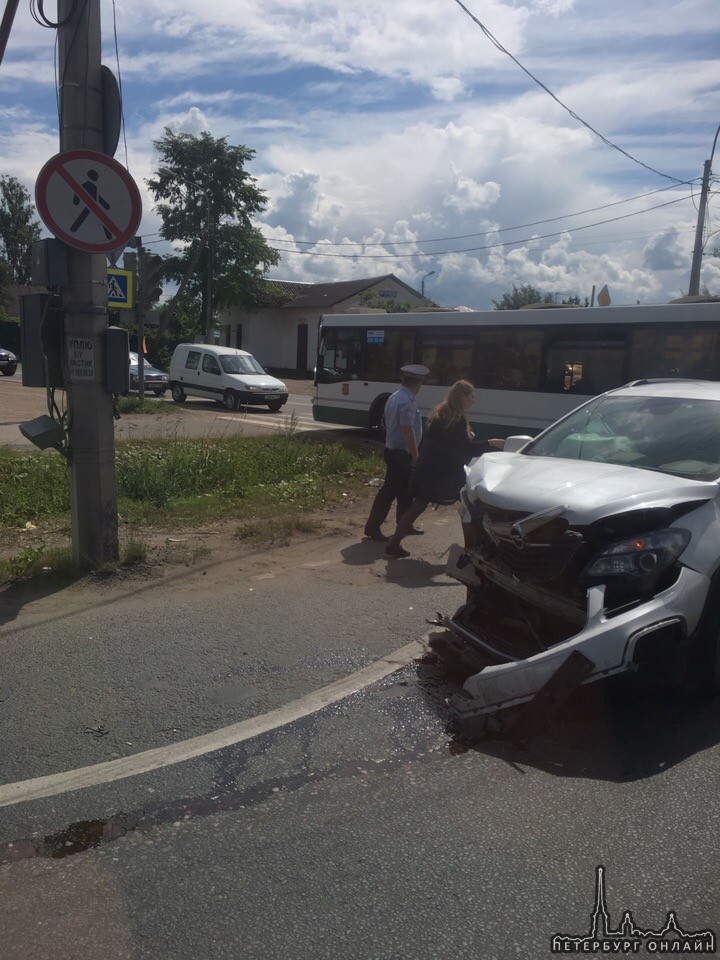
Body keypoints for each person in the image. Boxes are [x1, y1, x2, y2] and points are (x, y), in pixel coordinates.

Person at [385, 380, 504, 558]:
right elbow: (467, 449)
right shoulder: (458, 419)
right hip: (442, 474)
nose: (473, 400)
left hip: (428, 469)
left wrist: (466, 439)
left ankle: (393, 544)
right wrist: (491, 443)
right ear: (463, 396)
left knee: (418, 505)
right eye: (472, 396)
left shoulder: (441, 412)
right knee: (469, 505)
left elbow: (447, 441)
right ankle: (474, 549)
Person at [363, 364, 430, 542]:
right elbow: (407, 430)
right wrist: (416, 456)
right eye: (420, 383)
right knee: (390, 491)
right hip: (401, 453)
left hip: (395, 450)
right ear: (417, 383)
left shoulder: (395, 396)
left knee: (405, 491)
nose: (420, 386)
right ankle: (373, 528)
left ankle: (404, 525)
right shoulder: (406, 400)